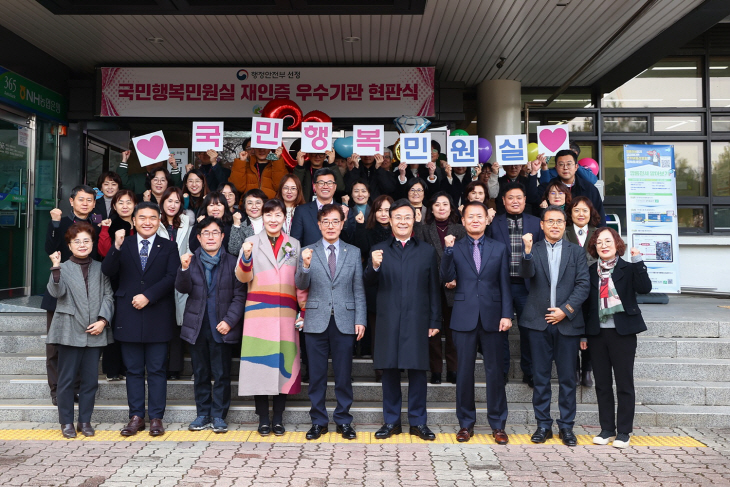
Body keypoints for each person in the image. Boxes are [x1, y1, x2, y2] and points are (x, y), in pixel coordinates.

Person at [364, 199, 441, 441]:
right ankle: (391, 421)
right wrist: (374, 266)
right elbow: (366, 284)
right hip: (388, 319)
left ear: (416, 218)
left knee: (418, 371)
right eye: (397, 217)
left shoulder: (427, 251)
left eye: (407, 217)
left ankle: (418, 422)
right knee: (389, 372)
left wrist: (435, 321)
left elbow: (434, 290)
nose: (402, 222)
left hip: (418, 319)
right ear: (389, 220)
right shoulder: (379, 250)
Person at [101, 201, 180, 437]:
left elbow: (172, 276)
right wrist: (115, 246)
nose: (148, 222)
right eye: (142, 218)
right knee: (133, 370)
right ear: (134, 221)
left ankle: (156, 418)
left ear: (159, 221)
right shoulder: (123, 244)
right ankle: (136, 416)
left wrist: (148, 295)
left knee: (157, 370)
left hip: (158, 314)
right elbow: (107, 271)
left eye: (153, 218)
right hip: (129, 314)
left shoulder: (169, 246)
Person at [441, 202, 513, 444]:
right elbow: (446, 277)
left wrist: (506, 314)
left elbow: (505, 284)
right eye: (470, 216)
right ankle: (465, 424)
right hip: (463, 317)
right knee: (464, 373)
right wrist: (448, 251)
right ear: (462, 221)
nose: (474, 220)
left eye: (479, 216)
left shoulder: (499, 248)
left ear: (486, 220)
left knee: (495, 373)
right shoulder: (456, 246)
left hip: (493, 317)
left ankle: (498, 424)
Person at [519, 206, 590, 447]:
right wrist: (527, 252)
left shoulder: (576, 252)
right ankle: (543, 425)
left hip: (567, 324)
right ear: (542, 225)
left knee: (568, 379)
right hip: (537, 323)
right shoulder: (533, 249)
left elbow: (583, 285)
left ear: (565, 225)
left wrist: (565, 311)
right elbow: (526, 275)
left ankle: (567, 427)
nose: (555, 225)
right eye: (550, 221)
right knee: (540, 378)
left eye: (560, 221)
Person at [235, 199, 307, 436]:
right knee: (260, 366)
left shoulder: (294, 244)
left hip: (286, 314)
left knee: (284, 366)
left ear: (284, 218)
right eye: (268, 215)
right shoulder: (250, 242)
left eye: (278, 215)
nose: (273, 219)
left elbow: (300, 284)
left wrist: (303, 311)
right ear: (262, 218)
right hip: (258, 314)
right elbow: (243, 278)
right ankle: (263, 418)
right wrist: (246, 258)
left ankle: (278, 418)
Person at [295, 204, 366, 440]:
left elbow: (358, 289)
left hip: (345, 321)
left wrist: (360, 319)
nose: (330, 226)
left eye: (335, 221)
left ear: (342, 223)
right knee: (316, 375)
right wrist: (304, 266)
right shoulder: (307, 251)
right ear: (318, 225)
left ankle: (344, 420)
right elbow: (301, 285)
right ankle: (318, 421)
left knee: (344, 375)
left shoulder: (354, 252)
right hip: (315, 320)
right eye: (325, 221)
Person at [176, 217, 246, 434]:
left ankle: (219, 415)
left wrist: (229, 321)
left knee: (222, 373)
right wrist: (184, 269)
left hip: (222, 327)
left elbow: (239, 296)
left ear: (222, 236)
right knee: (201, 372)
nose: (211, 237)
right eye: (206, 233)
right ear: (198, 237)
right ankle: (202, 414)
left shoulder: (233, 262)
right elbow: (182, 287)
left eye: (215, 232)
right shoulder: (191, 260)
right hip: (197, 326)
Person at [584, 228, 651, 449]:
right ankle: (606, 429)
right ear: (594, 247)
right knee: (602, 384)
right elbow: (586, 305)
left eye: (608, 241)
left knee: (624, 383)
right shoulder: (591, 271)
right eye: (599, 242)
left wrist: (638, 260)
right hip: (597, 334)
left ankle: (623, 431)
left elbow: (645, 288)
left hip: (623, 333)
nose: (604, 245)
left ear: (616, 244)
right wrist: (583, 334)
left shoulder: (629, 268)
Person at [46, 222, 114, 438]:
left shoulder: (101, 268)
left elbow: (108, 296)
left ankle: (84, 421)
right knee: (65, 380)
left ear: (93, 243)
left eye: (86, 241)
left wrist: (103, 320)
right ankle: (66, 422)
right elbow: (56, 292)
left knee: (90, 381)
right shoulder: (63, 268)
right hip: (69, 331)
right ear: (69, 244)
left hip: (95, 330)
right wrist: (56, 266)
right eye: (77, 241)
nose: (82, 245)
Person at [43, 185, 100, 406]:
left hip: (87, 296)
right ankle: (57, 390)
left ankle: (75, 388)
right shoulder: (61, 222)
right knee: (55, 346)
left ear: (95, 203)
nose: (85, 203)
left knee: (81, 345)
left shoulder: (96, 226)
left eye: (89, 200)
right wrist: (56, 223)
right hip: (60, 293)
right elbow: (50, 248)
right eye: (81, 199)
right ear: (71, 201)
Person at [487, 183, 544, 387]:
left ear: (525, 199)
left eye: (519, 197)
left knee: (528, 330)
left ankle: (529, 371)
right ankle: (502, 371)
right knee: (500, 330)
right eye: (510, 197)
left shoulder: (537, 223)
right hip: (501, 286)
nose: (515, 201)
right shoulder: (493, 224)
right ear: (503, 201)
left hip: (528, 286)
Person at [414, 192, 466, 385]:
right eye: (437, 204)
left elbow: (465, 257)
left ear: (451, 208)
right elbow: (418, 254)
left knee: (453, 331)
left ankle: (453, 369)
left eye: (445, 204)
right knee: (432, 330)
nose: (441, 207)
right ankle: (435, 370)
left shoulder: (460, 229)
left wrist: (456, 278)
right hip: (430, 287)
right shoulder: (425, 229)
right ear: (432, 208)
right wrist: (417, 225)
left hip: (454, 287)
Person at [352, 195, 394, 366]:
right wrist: (360, 226)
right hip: (373, 284)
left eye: (387, 210)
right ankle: (379, 368)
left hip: (394, 285)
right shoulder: (367, 230)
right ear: (373, 212)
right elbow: (361, 248)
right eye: (379, 210)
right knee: (376, 328)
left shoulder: (398, 231)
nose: (383, 214)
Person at [156, 186, 193, 381]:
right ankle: (159, 366)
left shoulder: (186, 222)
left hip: (180, 275)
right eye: (169, 201)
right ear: (162, 202)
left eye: (177, 201)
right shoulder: (154, 220)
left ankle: (174, 368)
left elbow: (189, 248)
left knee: (178, 322)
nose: (173, 205)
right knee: (161, 322)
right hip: (159, 276)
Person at [565, 196, 602, 387]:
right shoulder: (564, 231)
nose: (581, 214)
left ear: (591, 213)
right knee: (572, 329)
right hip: (569, 287)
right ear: (570, 213)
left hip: (594, 286)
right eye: (576, 210)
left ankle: (588, 369)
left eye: (585, 210)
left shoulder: (598, 233)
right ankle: (575, 368)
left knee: (591, 327)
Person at [531, 150, 606, 225]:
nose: (565, 168)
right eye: (561, 164)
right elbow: (533, 198)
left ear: (576, 167)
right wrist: (533, 172)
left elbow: (599, 216)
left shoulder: (589, 188)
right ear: (556, 167)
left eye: (569, 164)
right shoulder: (549, 186)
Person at [291, 168, 355, 247]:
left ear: (335, 187)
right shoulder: (301, 211)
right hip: (310, 258)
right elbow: (295, 243)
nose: (325, 186)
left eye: (329, 183)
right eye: (321, 183)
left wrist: (345, 221)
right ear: (314, 186)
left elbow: (350, 241)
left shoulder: (345, 210)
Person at [117, 150, 182, 195]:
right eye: (149, 158)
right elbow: (122, 182)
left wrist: (174, 167)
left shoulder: (167, 178)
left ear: (162, 162)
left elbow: (176, 186)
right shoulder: (136, 178)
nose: (153, 161)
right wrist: (124, 161)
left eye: (157, 158)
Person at [98, 190, 137, 258]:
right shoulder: (110, 225)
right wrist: (105, 229)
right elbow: (104, 253)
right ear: (115, 206)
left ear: (135, 205)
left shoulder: (142, 223)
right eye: (120, 203)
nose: (125, 206)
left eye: (129, 203)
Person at [228, 189, 268, 255]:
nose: (254, 206)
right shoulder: (241, 225)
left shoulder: (272, 222)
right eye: (250, 203)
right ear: (244, 206)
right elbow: (233, 250)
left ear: (264, 204)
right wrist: (236, 225)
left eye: (258, 203)